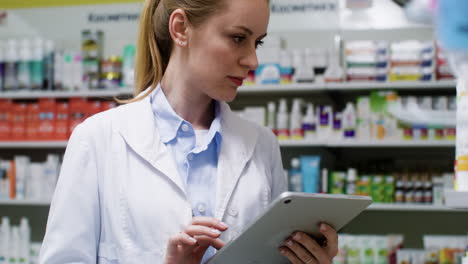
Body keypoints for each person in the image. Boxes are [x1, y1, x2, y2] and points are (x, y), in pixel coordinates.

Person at [39, 0, 338, 263]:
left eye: (256, 43)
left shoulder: (262, 145)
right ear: (181, 28)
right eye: (237, 38)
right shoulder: (98, 139)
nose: (252, 60)